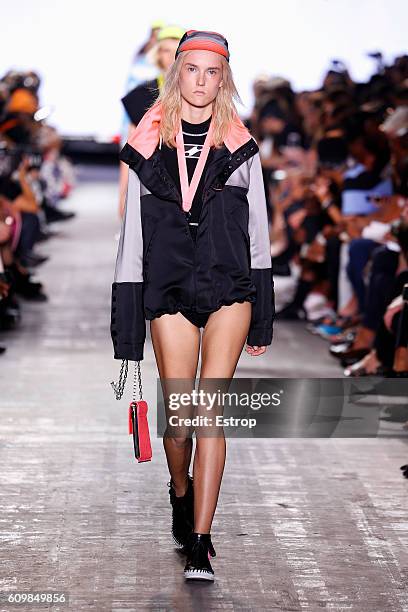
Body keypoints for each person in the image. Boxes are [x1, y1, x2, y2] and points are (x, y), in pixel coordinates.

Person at [110, 29, 275, 581]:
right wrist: (126, 329)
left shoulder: (241, 146)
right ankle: (180, 490)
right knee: (179, 424)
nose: (201, 81)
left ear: (223, 77)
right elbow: (132, 240)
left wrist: (265, 313)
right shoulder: (147, 144)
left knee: (209, 413)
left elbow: (259, 236)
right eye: (192, 70)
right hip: (170, 291)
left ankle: (202, 540)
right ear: (176, 73)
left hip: (229, 289)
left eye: (212, 71)